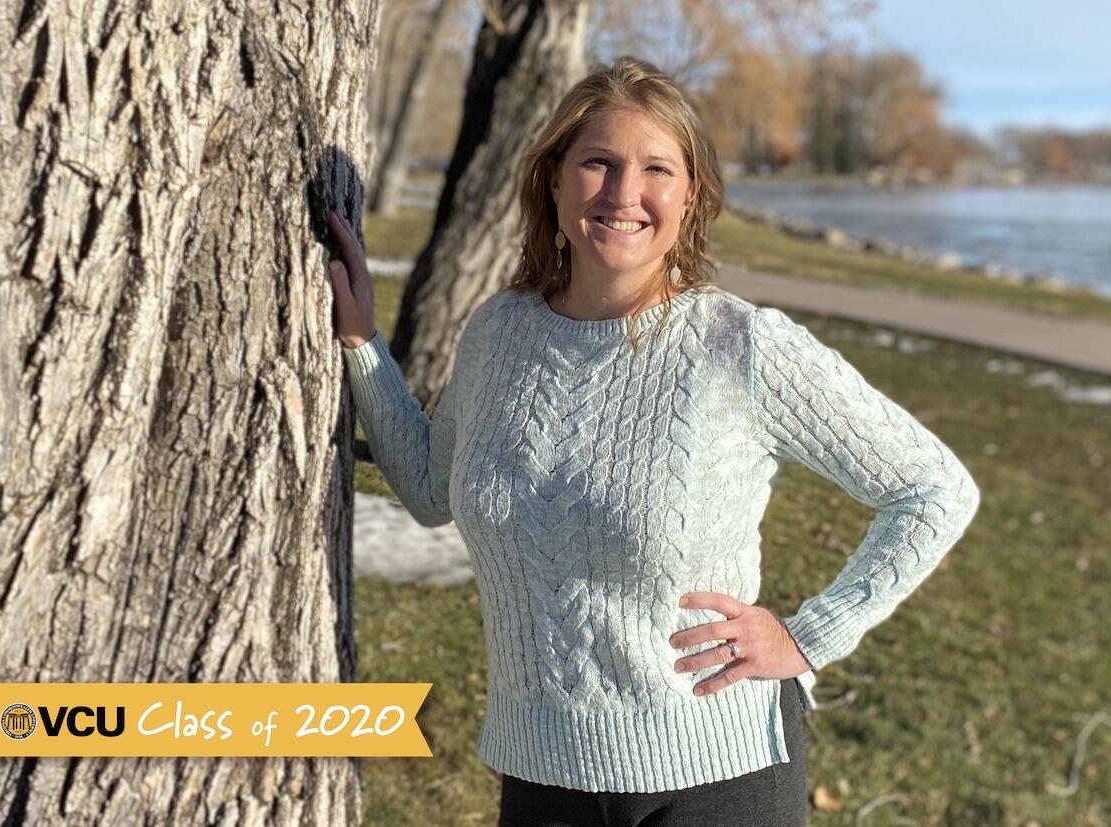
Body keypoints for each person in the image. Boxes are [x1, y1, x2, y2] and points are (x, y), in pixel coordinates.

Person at [325, 56, 981, 827]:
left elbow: (934, 489)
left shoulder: (741, 346)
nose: (623, 194)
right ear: (554, 179)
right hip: (542, 777)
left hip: (716, 775)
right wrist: (363, 345)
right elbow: (432, 490)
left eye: (656, 169)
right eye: (597, 162)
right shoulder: (498, 333)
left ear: (690, 195)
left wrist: (809, 637)